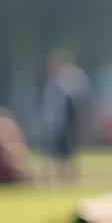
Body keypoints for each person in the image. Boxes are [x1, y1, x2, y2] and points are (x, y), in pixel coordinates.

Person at [38, 48, 92, 184]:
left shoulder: (74, 79)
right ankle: (55, 181)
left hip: (68, 124)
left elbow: (81, 104)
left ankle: (69, 181)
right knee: (53, 154)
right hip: (53, 124)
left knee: (68, 155)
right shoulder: (52, 81)